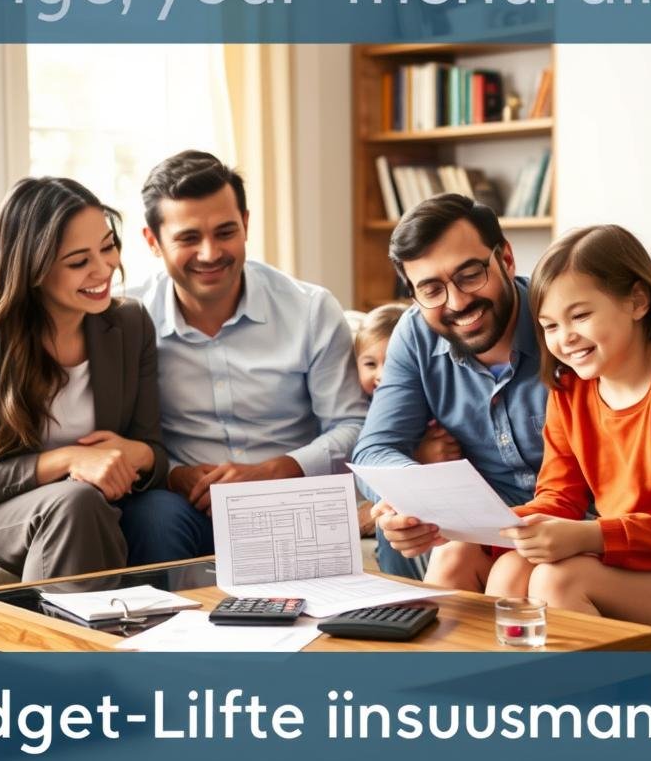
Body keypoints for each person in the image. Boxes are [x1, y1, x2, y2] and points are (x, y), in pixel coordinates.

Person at [430, 224, 651, 651]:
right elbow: (557, 500)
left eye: (580, 316)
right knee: (471, 556)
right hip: (635, 563)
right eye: (549, 325)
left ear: (637, 301)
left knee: (556, 578)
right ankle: (453, 692)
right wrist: (462, 524)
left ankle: (603, 708)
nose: (564, 338)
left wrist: (594, 536)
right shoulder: (569, 389)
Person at [0, 176, 170, 579]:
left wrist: (130, 454)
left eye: (107, 247)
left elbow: (153, 450)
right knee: (76, 503)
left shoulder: (130, 323)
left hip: (88, 507)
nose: (104, 269)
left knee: (127, 510)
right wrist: (72, 459)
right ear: (32, 267)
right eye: (78, 261)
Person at [131, 150, 367, 562]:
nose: (210, 254)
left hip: (293, 499)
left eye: (225, 232)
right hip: (183, 507)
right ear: (153, 242)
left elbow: (352, 424)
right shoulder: (128, 319)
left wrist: (274, 472)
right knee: (151, 517)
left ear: (246, 224)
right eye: (188, 238)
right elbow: (120, 435)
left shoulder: (309, 308)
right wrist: (173, 476)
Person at [352, 193, 548, 579]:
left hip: (573, 522)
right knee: (436, 549)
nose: (457, 302)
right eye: (430, 290)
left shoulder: (558, 319)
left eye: (471, 274)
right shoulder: (414, 331)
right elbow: (375, 449)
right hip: (476, 525)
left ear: (506, 260)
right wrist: (410, 502)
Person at [353, 303, 461, 536]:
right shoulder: (356, 410)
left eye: (392, 364)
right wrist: (419, 457)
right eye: (370, 364)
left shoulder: (426, 406)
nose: (382, 375)